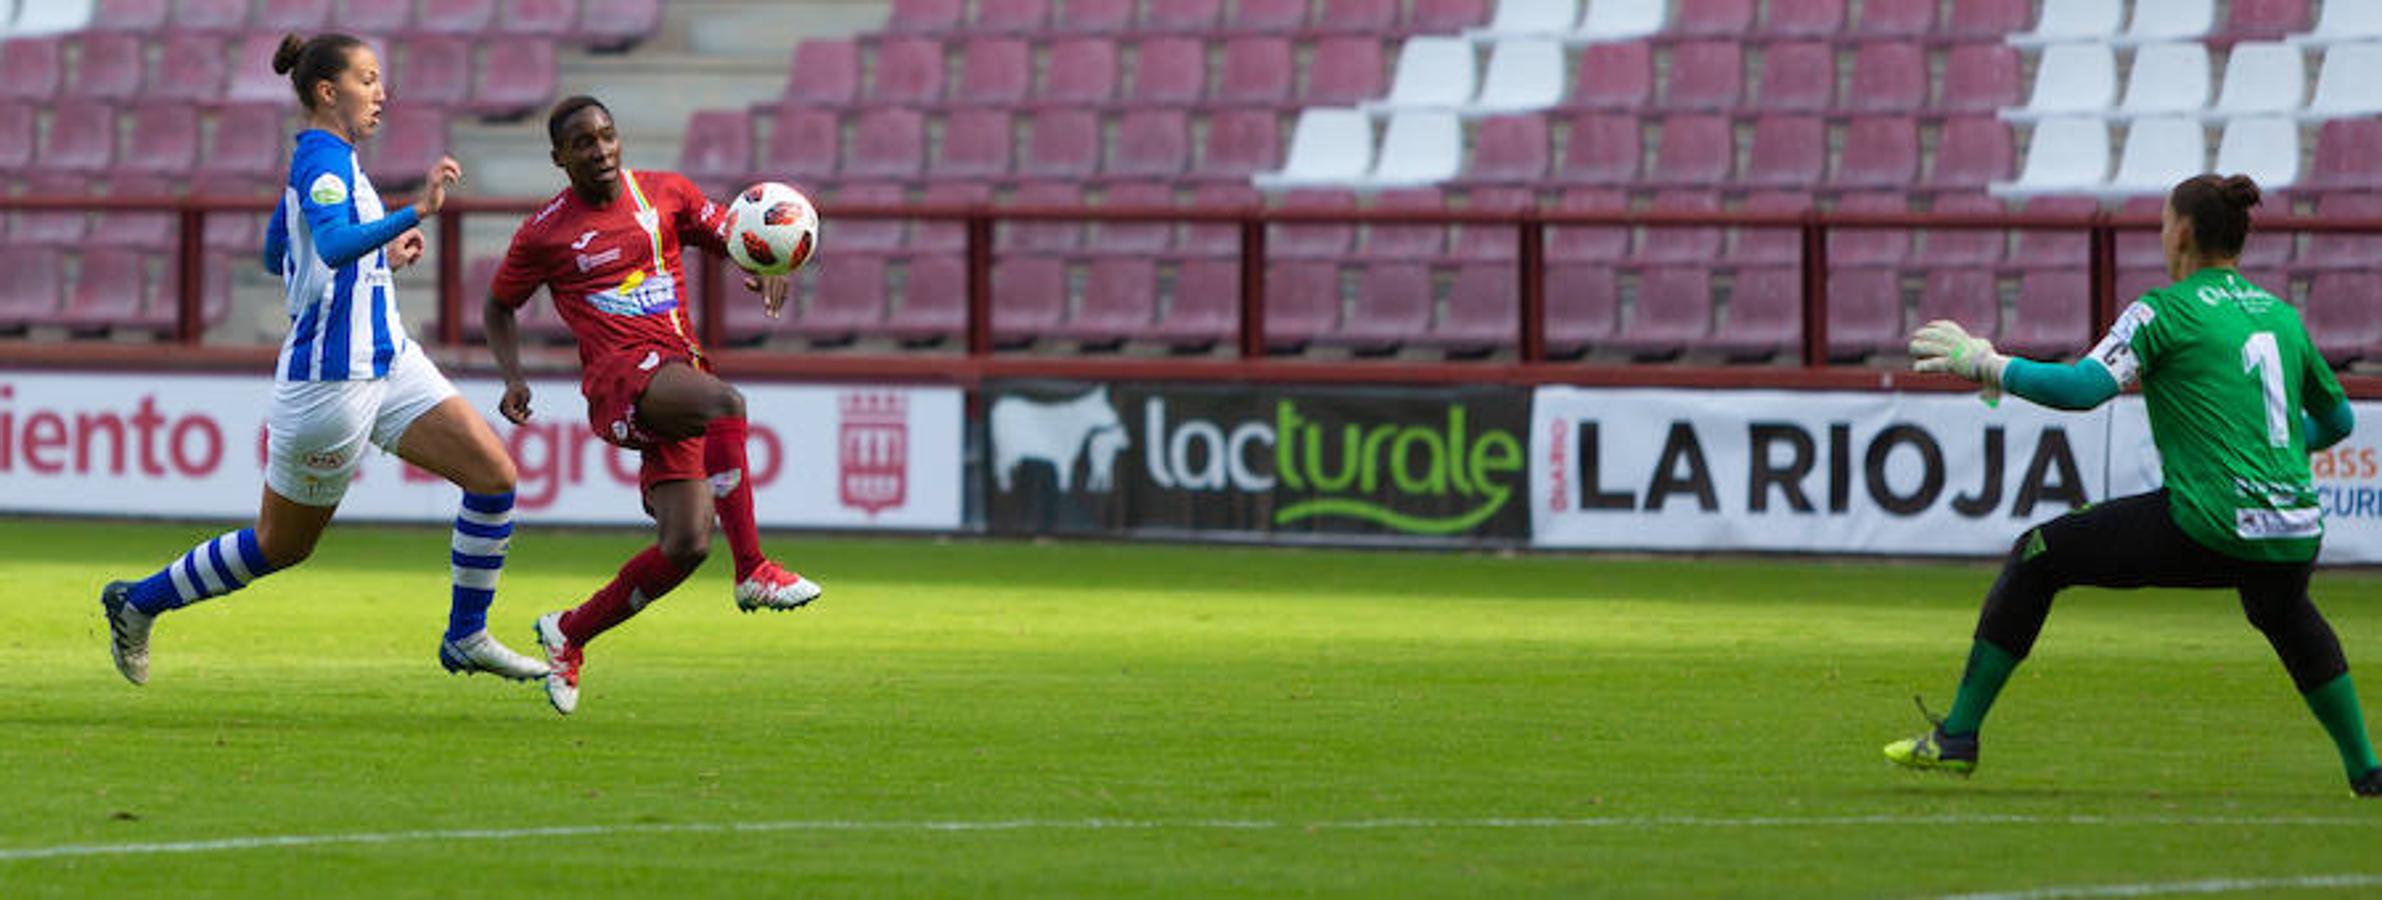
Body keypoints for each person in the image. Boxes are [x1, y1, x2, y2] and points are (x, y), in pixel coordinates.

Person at [1885, 174, 2378, 797]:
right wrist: (2269, 450)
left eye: (2165, 219)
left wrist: (1986, 363)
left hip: (2212, 520)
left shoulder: (2162, 311)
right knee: (2282, 609)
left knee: (2038, 555)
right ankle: (2367, 770)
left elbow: (2083, 390)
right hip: (2294, 525)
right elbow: (2337, 420)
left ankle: (1958, 736)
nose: (2161, 230)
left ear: (2184, 232)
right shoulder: (2280, 316)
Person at [98, 33, 548, 686]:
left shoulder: (324, 160)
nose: (381, 92)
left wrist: (380, 259)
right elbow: (333, 245)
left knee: (493, 476)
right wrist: (414, 211)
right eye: (368, 79)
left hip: (388, 360)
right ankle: (138, 601)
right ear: (326, 91)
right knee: (282, 546)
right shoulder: (322, 163)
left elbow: (278, 252)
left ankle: (466, 635)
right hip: (330, 385)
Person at [482, 95, 823, 716]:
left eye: (607, 136)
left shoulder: (666, 194)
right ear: (559, 157)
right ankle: (752, 569)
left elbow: (731, 234)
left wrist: (764, 261)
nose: (600, 150)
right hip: (623, 382)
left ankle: (570, 632)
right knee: (727, 404)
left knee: (687, 543)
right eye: (583, 143)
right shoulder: (545, 233)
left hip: (677, 376)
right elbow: (498, 304)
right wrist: (513, 377)